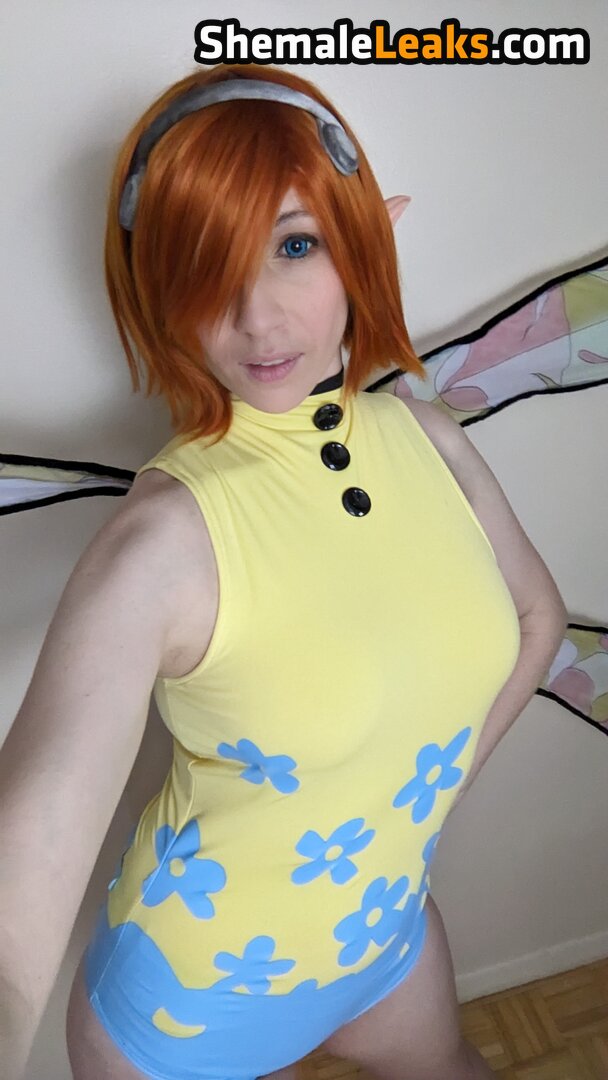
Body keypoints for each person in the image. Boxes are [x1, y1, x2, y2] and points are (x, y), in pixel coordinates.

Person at [0, 62, 567, 1080]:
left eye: (295, 245)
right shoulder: (160, 542)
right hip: (185, 1011)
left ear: (367, 236)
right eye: (203, 267)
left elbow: (535, 619)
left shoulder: (427, 436)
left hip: (385, 945)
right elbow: (33, 836)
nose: (257, 320)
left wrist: (412, 811)